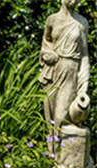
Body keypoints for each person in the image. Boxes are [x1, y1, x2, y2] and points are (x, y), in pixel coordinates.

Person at [39, 0, 90, 154]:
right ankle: (53, 157)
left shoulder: (81, 22)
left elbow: (84, 56)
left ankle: (63, 156)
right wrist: (47, 54)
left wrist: (83, 85)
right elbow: (45, 45)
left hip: (70, 72)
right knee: (50, 118)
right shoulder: (52, 20)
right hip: (52, 71)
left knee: (60, 117)